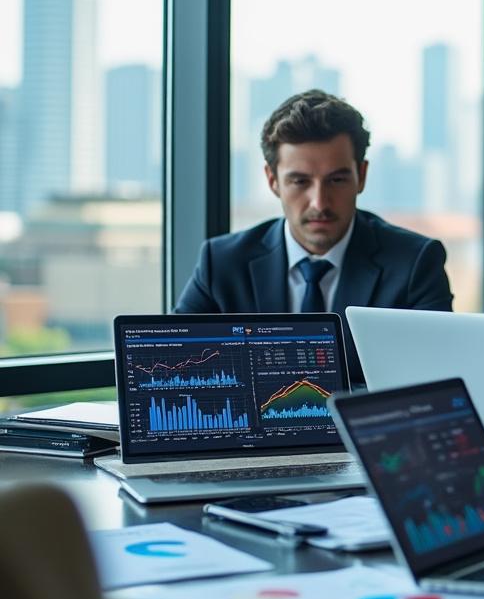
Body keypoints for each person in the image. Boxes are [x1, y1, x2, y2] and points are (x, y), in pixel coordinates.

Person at [175, 90, 454, 382]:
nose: (319, 202)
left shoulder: (414, 263)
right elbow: (174, 365)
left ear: (362, 175)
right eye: (300, 181)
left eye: (336, 180)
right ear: (273, 181)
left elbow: (438, 383)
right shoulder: (221, 263)